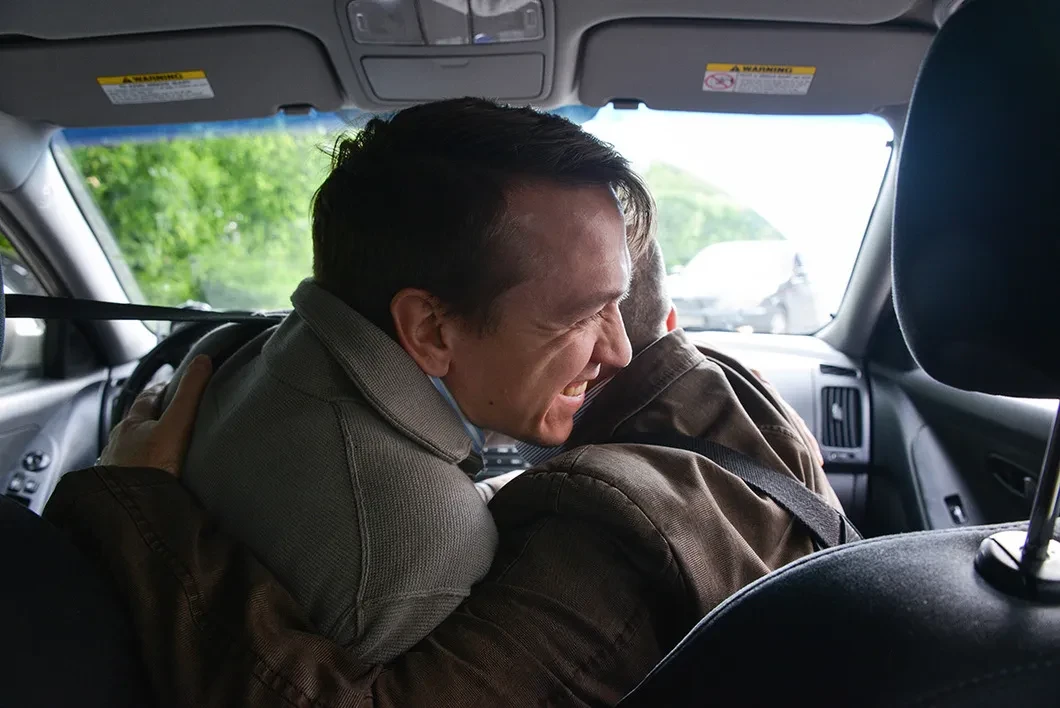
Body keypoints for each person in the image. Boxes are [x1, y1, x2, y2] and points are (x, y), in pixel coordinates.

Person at [45, 240, 842, 707]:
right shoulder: (747, 409)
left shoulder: (611, 524)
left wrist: (140, 507)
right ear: (672, 323)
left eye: (582, 316)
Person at [170, 98, 652, 663]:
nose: (620, 352)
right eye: (581, 315)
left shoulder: (238, 354)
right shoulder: (419, 551)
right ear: (430, 330)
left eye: (616, 304)